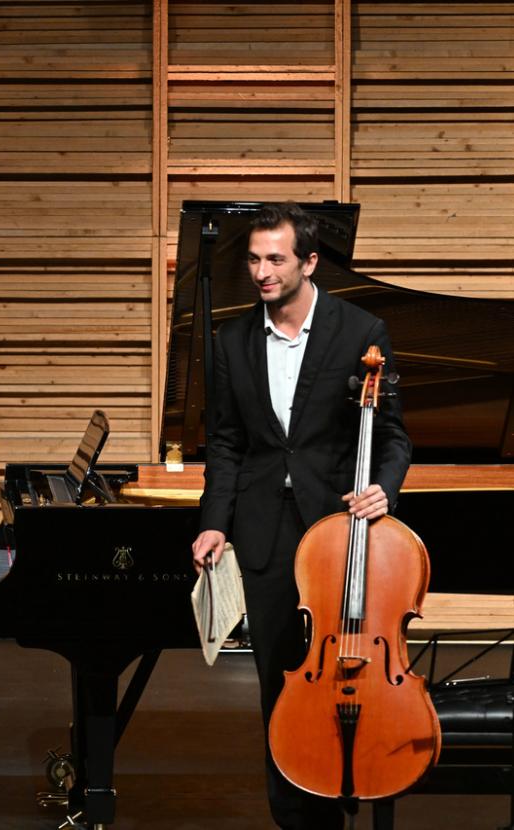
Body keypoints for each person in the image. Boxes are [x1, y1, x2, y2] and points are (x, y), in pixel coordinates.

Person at [190, 203, 411, 829]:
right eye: (254, 259)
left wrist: (384, 492)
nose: (261, 271)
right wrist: (213, 521)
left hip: (342, 535)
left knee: (359, 680)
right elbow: (227, 445)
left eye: (275, 259)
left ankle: (361, 784)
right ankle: (298, 817)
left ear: (309, 262)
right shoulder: (231, 340)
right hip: (264, 535)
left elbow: (393, 437)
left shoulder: (360, 329)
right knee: (283, 689)